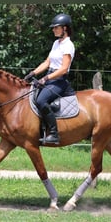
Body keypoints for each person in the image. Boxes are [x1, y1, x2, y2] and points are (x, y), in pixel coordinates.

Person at [24, 13, 75, 144]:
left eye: (56, 27)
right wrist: (33, 73)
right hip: (51, 77)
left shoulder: (68, 45)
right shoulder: (56, 43)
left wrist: (46, 78)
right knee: (31, 95)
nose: (53, 30)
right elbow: (47, 62)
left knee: (41, 100)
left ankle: (54, 134)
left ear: (65, 28)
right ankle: (39, 131)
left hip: (59, 80)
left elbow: (64, 68)